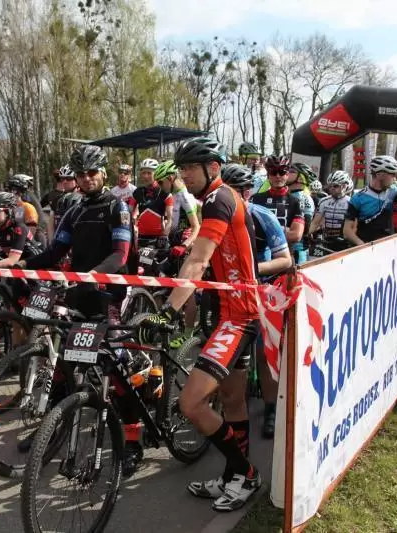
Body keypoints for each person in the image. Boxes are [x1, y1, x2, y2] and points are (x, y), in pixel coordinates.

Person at [139, 137, 261, 511]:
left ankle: (246, 474)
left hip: (237, 316)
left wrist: (167, 312)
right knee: (232, 400)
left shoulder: (218, 199)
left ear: (213, 168)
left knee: (192, 403)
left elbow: (198, 260)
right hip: (230, 312)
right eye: (181, 168)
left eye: (191, 167)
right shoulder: (217, 198)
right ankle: (233, 476)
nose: (184, 175)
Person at [18, 145, 137, 461]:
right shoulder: (75, 211)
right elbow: (55, 253)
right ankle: (51, 428)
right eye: (81, 174)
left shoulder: (118, 208)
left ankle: (133, 436)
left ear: (103, 173)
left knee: (114, 367)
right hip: (80, 292)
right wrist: (21, 265)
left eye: (91, 173)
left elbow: (120, 255)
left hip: (110, 292)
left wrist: (92, 275)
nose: (86, 179)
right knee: (63, 365)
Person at [222, 163, 292, 439]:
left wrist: (251, 270)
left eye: (234, 191)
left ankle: (271, 406)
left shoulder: (263, 216)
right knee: (227, 354)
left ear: (247, 192)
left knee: (264, 354)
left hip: (261, 290)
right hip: (229, 294)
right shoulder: (216, 215)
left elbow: (285, 260)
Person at [250, 155, 305, 263]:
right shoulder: (255, 199)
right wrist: (285, 231)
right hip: (260, 258)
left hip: (285, 260)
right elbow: (249, 231)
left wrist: (263, 232)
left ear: (287, 175)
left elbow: (296, 235)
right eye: (273, 172)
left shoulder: (296, 202)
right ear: (268, 176)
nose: (278, 176)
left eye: (282, 172)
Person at [153, 160, 200, 254]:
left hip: (187, 244)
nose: (159, 186)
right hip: (175, 240)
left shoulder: (185, 196)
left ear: (170, 178)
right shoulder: (173, 194)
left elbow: (196, 227)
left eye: (160, 182)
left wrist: (184, 246)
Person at [128, 158, 173, 244]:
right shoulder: (137, 192)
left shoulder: (165, 192)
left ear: (156, 174)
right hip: (141, 237)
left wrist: (164, 236)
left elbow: (171, 219)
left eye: (149, 173)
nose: (146, 176)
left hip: (159, 238)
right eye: (143, 173)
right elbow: (128, 212)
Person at [309, 170, 353, 241]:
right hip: (326, 240)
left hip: (344, 242)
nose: (331, 188)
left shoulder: (351, 203)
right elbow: (315, 223)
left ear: (344, 186)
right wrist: (305, 235)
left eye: (335, 186)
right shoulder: (323, 201)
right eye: (330, 186)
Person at [287, 162, 316, 263]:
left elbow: (305, 228)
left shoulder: (304, 198)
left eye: (291, 171)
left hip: (297, 251)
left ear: (300, 178)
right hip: (286, 249)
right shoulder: (289, 195)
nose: (286, 172)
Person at [4, 174, 40, 239]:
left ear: (21, 192)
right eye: (9, 190)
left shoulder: (27, 207)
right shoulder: (5, 208)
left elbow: (31, 232)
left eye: (15, 191)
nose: (11, 193)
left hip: (23, 241)